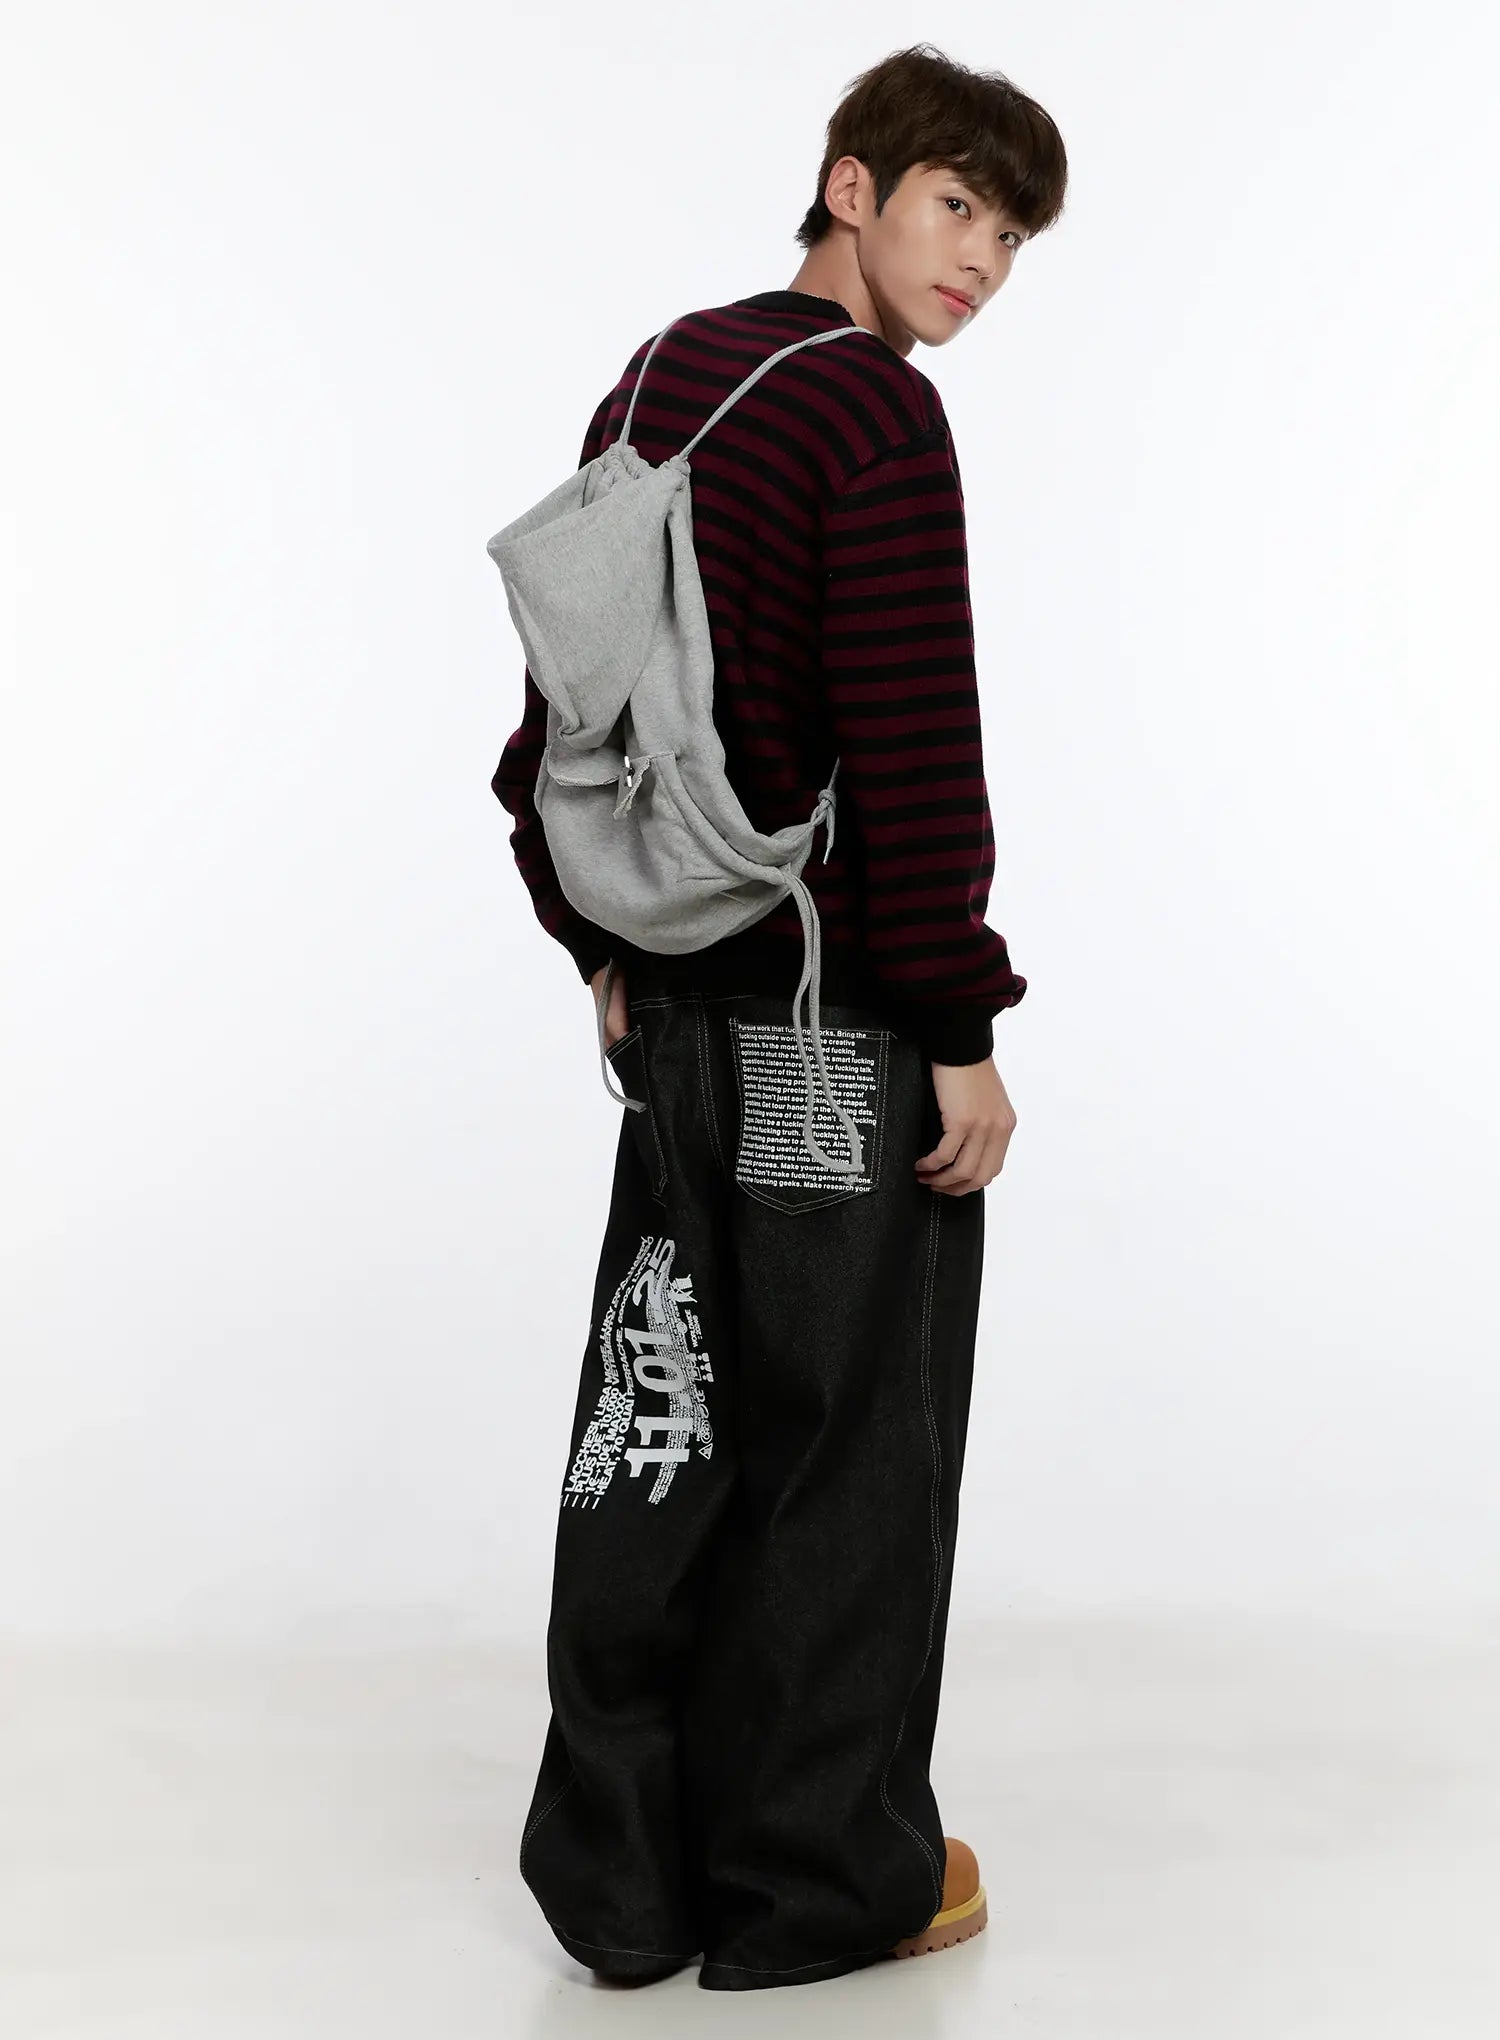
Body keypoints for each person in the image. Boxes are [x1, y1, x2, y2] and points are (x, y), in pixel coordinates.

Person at [492, 40, 1067, 1993]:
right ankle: (816, 1881)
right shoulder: (874, 419)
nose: (981, 261)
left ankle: (621, 1879)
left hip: (668, 1017)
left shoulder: (662, 373)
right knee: (845, 1454)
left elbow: (564, 709)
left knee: (657, 1425)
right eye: (957, 206)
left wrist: (594, 945)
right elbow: (914, 748)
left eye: (1013, 236)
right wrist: (960, 1022)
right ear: (852, 188)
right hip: (834, 1032)